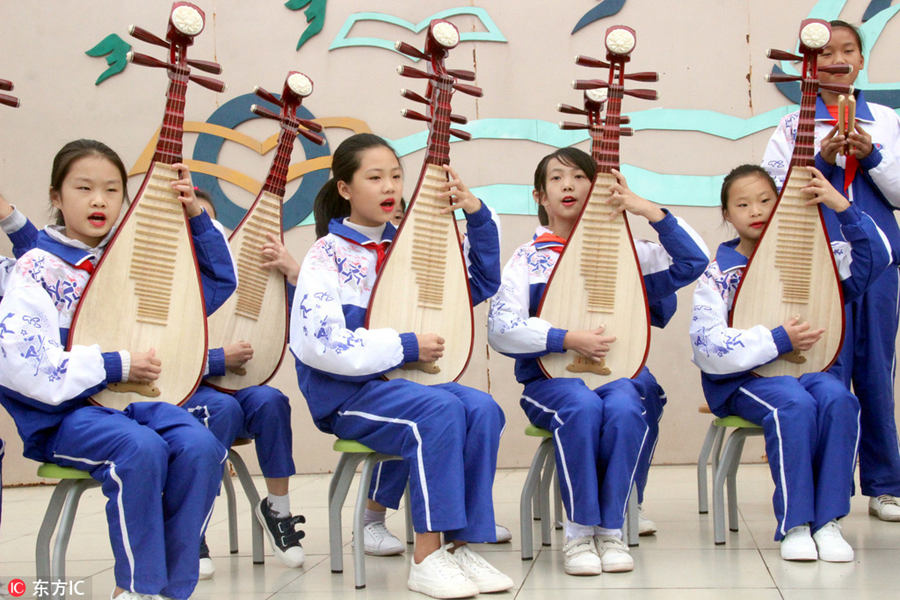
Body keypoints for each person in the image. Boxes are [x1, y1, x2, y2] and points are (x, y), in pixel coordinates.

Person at [0, 139, 237, 600]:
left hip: (136, 405)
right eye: (84, 188)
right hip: (65, 416)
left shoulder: (131, 260)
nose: (98, 200)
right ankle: (137, 588)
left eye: (111, 190)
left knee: (201, 446)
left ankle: (170, 588)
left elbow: (214, 287)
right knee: (139, 449)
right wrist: (115, 364)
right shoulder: (37, 267)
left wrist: (195, 217)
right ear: (56, 197)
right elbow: (24, 363)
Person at [291, 132, 512, 599]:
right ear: (345, 188)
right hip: (347, 394)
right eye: (374, 177)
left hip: (406, 386)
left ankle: (460, 546)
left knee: (483, 409)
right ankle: (427, 557)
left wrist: (475, 213)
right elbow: (321, 345)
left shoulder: (412, 247)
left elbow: (483, 282)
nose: (389, 186)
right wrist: (405, 345)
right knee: (440, 412)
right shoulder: (325, 256)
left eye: (395, 175)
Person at [487, 146, 709, 575]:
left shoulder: (627, 253)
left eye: (579, 177)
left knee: (630, 403)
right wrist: (564, 338)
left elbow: (693, 260)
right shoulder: (526, 259)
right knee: (582, 406)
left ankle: (611, 529)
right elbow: (500, 328)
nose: (568, 185)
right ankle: (577, 532)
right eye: (556, 178)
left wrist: (645, 208)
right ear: (540, 197)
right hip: (549, 383)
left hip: (614, 377)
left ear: (599, 187)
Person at [690, 164, 891, 561]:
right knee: (792, 403)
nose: (756, 210)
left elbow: (877, 258)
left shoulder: (813, 259)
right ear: (727, 214)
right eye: (743, 204)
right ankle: (796, 525)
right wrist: (776, 340)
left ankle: (828, 522)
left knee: (838, 398)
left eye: (766, 200)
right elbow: (706, 346)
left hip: (806, 373)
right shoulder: (719, 274)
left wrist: (842, 207)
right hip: (742, 381)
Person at [762, 19, 900, 522]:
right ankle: (829, 490)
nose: (838, 59)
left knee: (876, 374)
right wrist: (818, 157)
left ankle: (886, 485)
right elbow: (773, 198)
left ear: (861, 60)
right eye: (826, 53)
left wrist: (872, 155)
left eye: (849, 50)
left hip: (879, 262)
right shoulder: (789, 126)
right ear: (808, 67)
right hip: (814, 265)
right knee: (826, 371)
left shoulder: (885, 119)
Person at [186, 190, 306, 577]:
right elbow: (158, 358)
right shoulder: (168, 282)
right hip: (182, 399)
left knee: (271, 400)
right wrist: (218, 359)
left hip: (235, 394)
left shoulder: (229, 274)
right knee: (221, 406)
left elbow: (284, 322)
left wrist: (291, 276)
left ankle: (277, 510)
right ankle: (190, 530)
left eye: (205, 225)